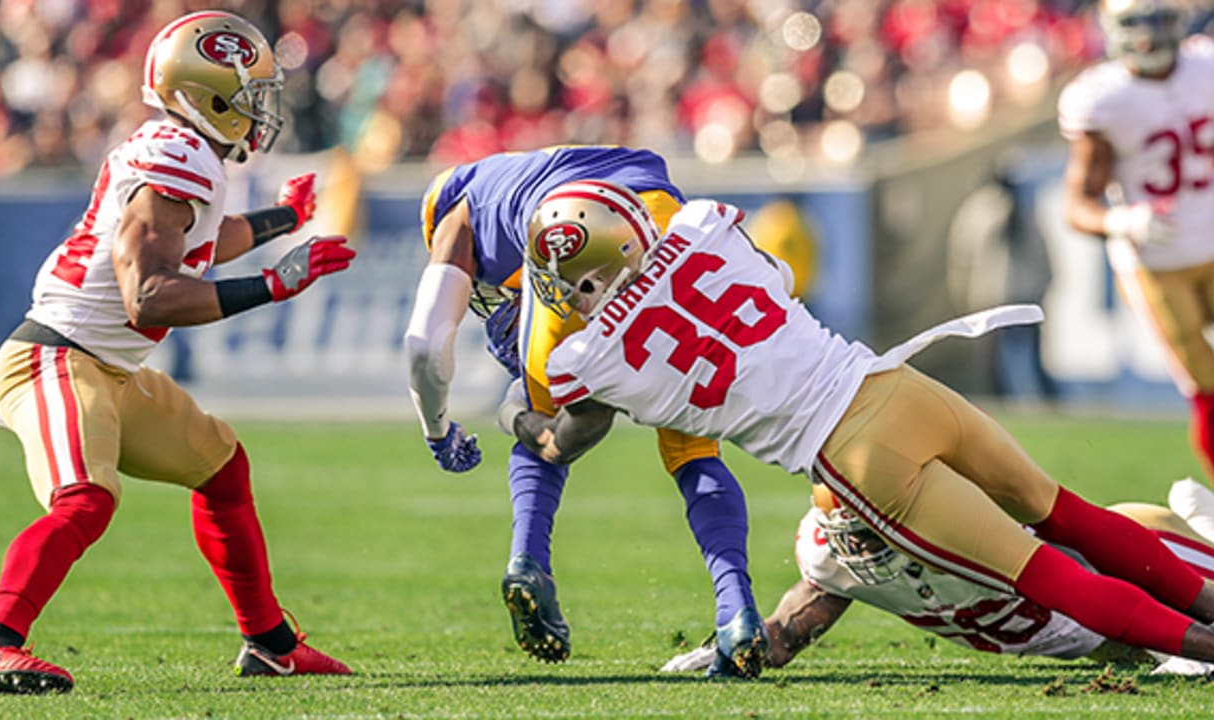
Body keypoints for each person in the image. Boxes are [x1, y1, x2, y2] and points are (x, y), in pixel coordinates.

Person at [503, 179, 1214, 674]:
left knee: (1045, 576)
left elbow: (559, 439)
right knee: (1069, 514)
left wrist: (514, 409)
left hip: (855, 456)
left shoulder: (586, 360)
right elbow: (775, 280)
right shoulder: (703, 226)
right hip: (896, 385)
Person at [0, 11, 356, 695]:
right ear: (207, 94)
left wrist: (285, 218)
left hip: (105, 364)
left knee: (222, 466)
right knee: (86, 499)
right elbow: (153, 298)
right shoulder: (178, 157)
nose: (261, 109)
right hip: (57, 356)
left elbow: (197, 242)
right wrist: (276, 283)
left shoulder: (183, 150)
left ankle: (271, 644)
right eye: (249, 93)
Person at [404, 146, 765, 676]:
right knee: (690, 441)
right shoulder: (534, 171)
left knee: (543, 424)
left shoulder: (456, 211)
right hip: (664, 224)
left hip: (566, 239)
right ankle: (737, 610)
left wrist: (440, 431)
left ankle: (529, 562)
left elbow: (424, 344)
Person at [662, 480, 1214, 677]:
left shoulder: (954, 518)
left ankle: (1202, 529)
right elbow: (799, 617)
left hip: (1126, 571)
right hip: (1086, 640)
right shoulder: (830, 550)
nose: (858, 549)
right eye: (847, 533)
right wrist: (747, 645)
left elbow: (1076, 566)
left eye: (868, 532)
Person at [1059, 0, 1214, 480]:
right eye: (1135, 23)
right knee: (1205, 385)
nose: (1148, 36)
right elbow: (1078, 205)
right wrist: (1121, 221)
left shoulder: (1206, 66)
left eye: (1160, 21)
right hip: (1155, 262)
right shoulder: (1103, 98)